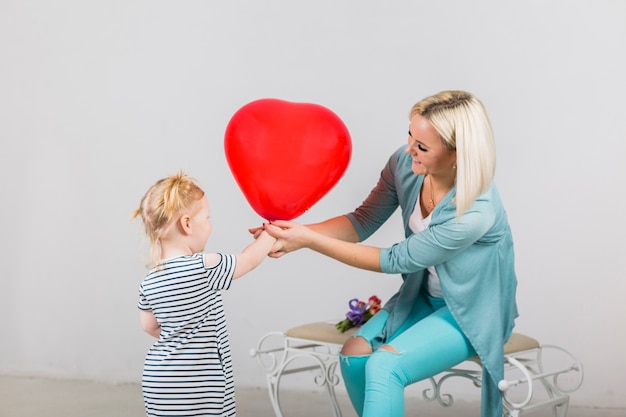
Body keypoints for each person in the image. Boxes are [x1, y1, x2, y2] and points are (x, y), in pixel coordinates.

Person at [262, 90, 518, 417]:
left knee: (385, 365)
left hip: (472, 311)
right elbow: (362, 220)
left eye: (422, 146)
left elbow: (396, 260)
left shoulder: (475, 211)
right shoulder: (405, 164)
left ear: (459, 155)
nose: (409, 149)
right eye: (410, 135)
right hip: (421, 299)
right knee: (354, 356)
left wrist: (308, 240)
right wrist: (293, 231)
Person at [132, 171, 276, 417]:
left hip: (158, 382)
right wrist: (272, 233)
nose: (210, 224)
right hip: (200, 386)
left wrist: (178, 333)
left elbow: (148, 326)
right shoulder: (205, 266)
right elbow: (249, 260)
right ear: (187, 224)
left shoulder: (150, 280)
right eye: (207, 218)